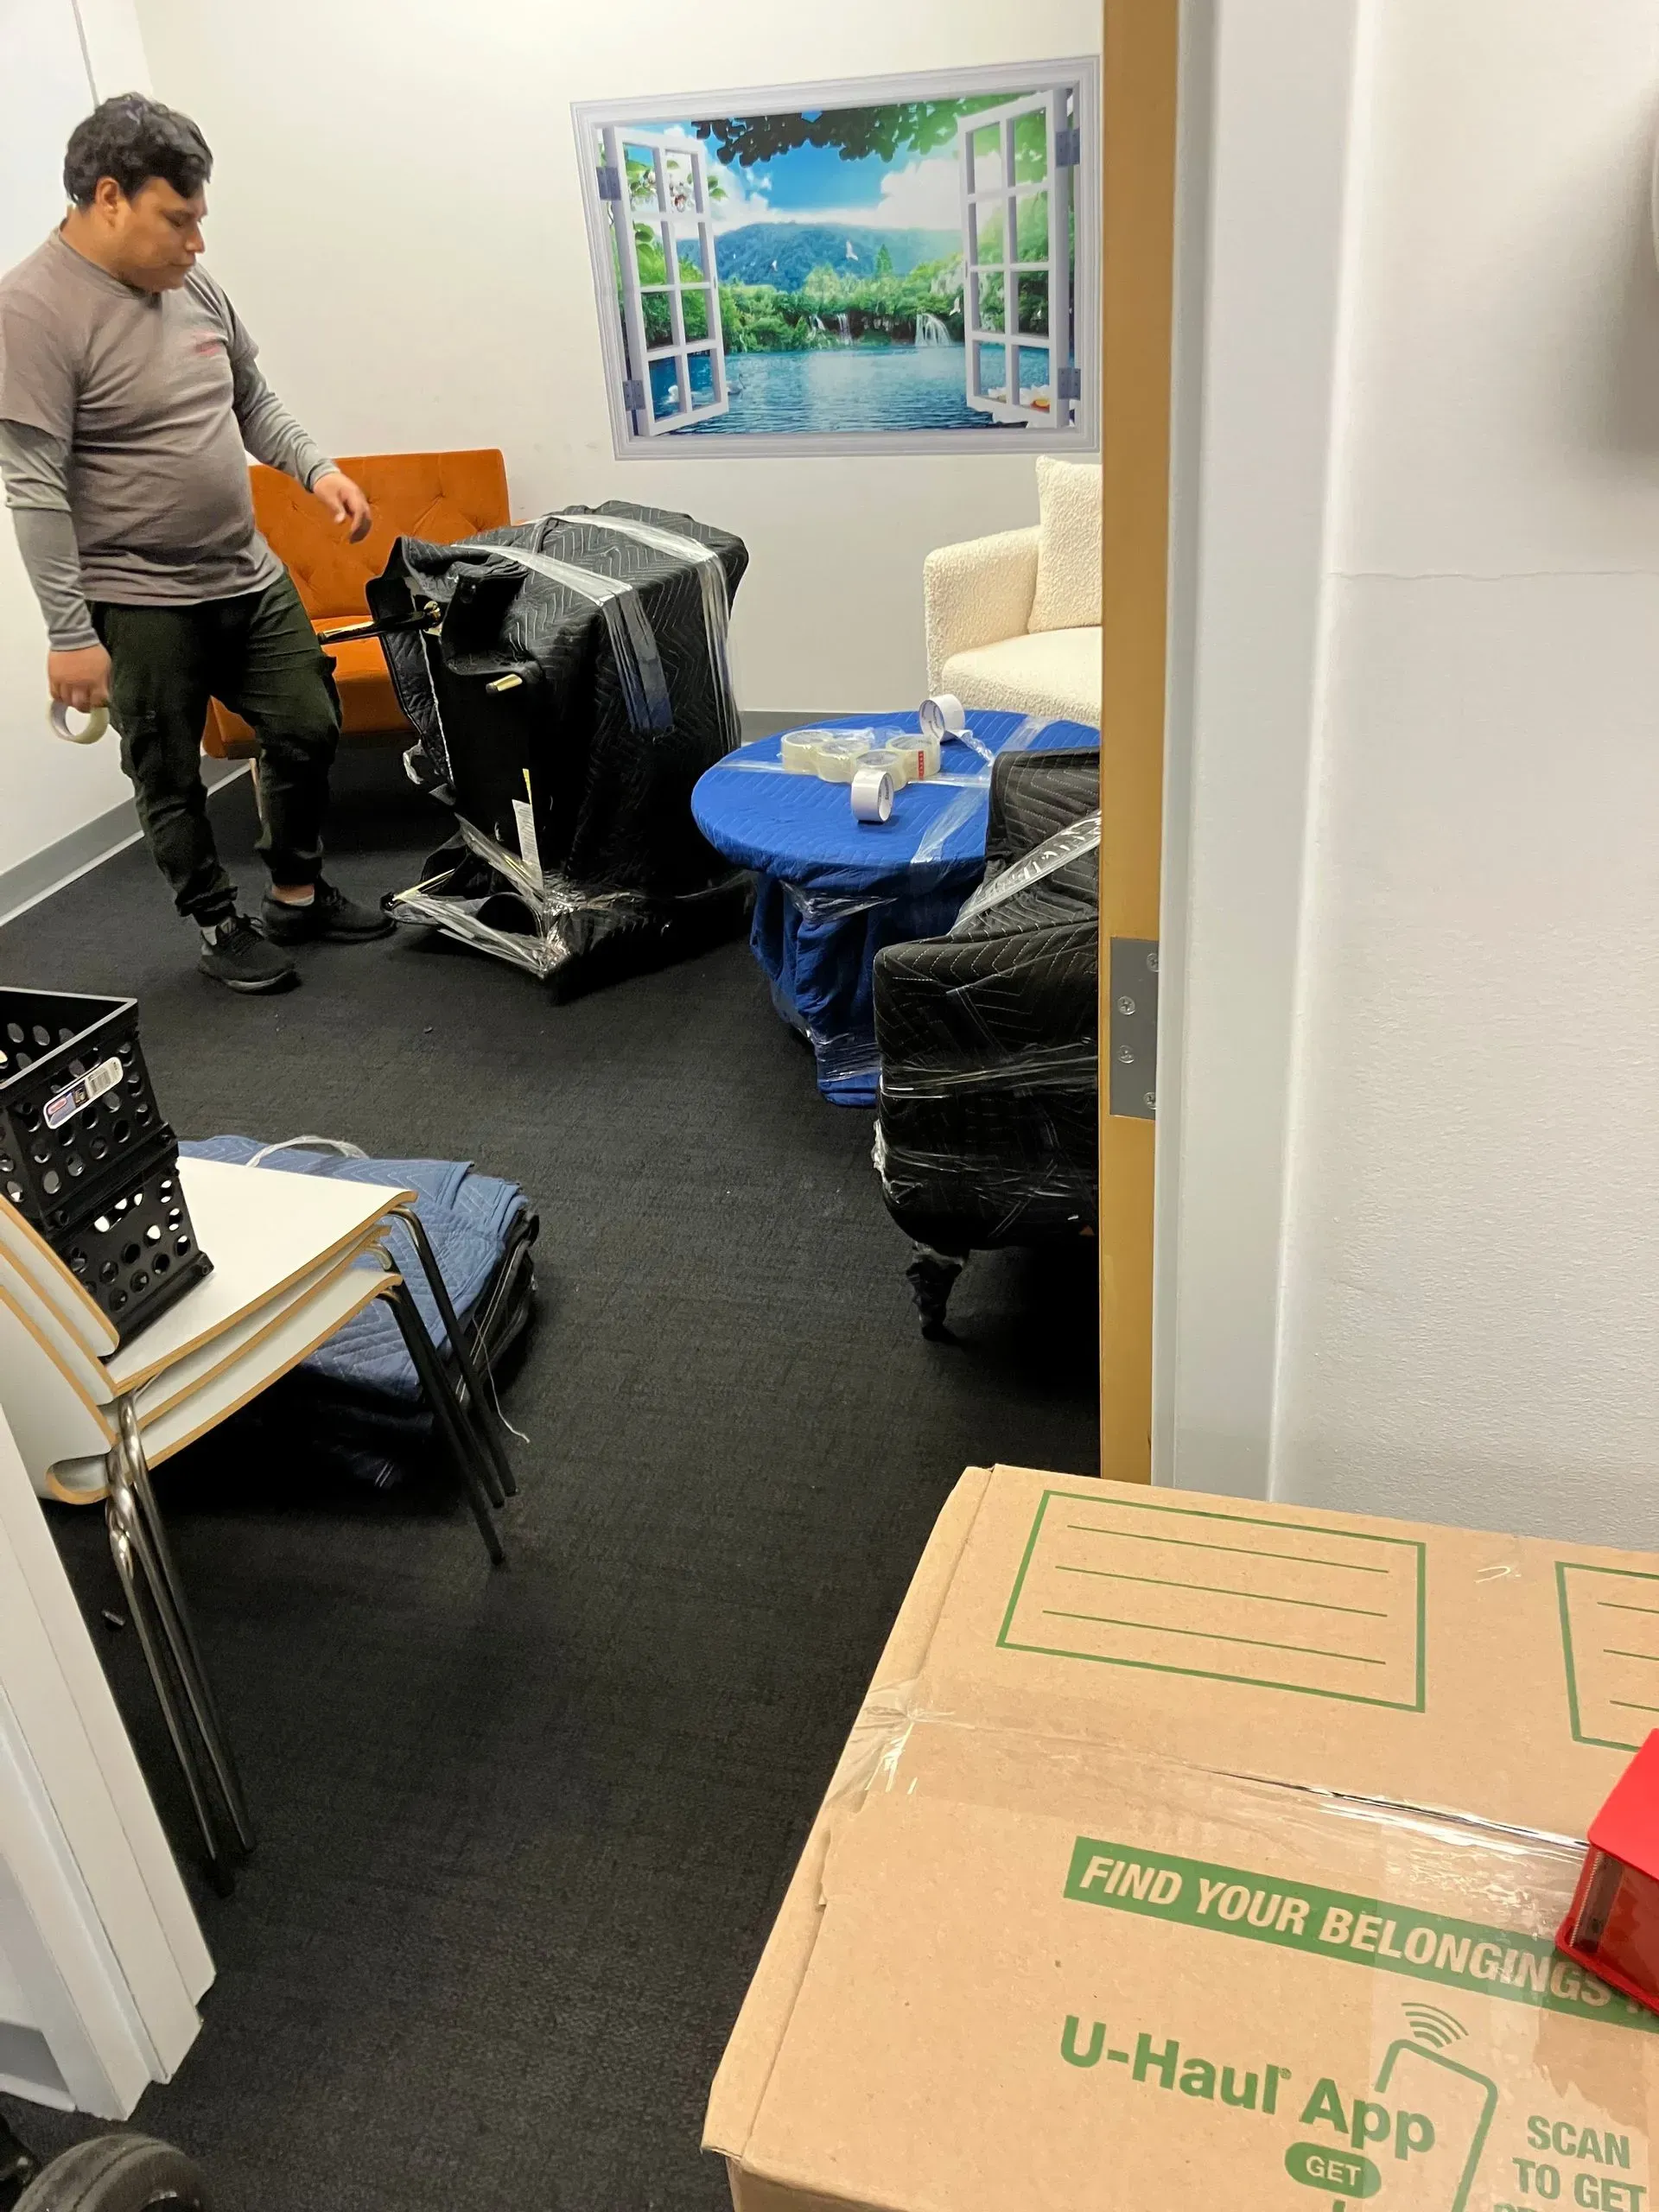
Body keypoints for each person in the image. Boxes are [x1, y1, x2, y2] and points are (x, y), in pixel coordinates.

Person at [0, 93, 392, 993]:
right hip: (136, 596)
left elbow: (250, 396)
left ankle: (296, 889)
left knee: (307, 722)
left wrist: (315, 469)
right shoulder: (30, 309)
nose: (196, 243)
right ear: (109, 198)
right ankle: (218, 923)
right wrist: (68, 632)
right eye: (178, 220)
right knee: (165, 767)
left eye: (200, 219)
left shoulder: (192, 284)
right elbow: (32, 486)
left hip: (244, 572)